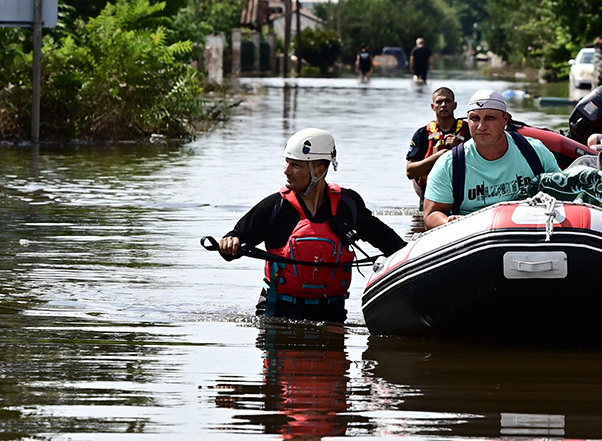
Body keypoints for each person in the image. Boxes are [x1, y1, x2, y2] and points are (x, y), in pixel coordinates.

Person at [217, 128, 406, 322]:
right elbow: (235, 239)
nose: (286, 170)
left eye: (296, 165)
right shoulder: (275, 206)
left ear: (320, 170)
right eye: (287, 163)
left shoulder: (347, 204)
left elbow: (391, 244)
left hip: (331, 314)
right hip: (277, 312)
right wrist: (230, 244)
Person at [423, 89, 561, 229]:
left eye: (490, 118)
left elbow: (563, 194)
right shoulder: (449, 164)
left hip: (528, 230)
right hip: (472, 237)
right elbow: (431, 214)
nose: (481, 127)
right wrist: (448, 222)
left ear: (505, 120)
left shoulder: (534, 151)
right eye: (475, 118)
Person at [406, 87, 471, 199]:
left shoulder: (469, 131)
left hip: (463, 194)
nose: (443, 105)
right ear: (433, 107)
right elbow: (410, 172)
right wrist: (438, 156)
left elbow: (482, 164)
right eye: (439, 102)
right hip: (431, 194)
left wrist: (459, 149)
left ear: (455, 105)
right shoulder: (422, 134)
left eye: (447, 101)